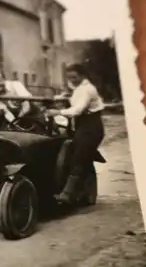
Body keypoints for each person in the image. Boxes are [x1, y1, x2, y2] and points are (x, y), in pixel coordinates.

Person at [45, 63, 105, 204]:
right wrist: (66, 95)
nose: (72, 80)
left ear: (82, 75)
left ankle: (67, 194)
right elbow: (74, 95)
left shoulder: (87, 89)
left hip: (91, 127)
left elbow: (77, 110)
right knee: (77, 155)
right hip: (82, 126)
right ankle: (82, 192)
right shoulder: (79, 88)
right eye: (69, 77)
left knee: (78, 158)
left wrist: (57, 112)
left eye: (74, 77)